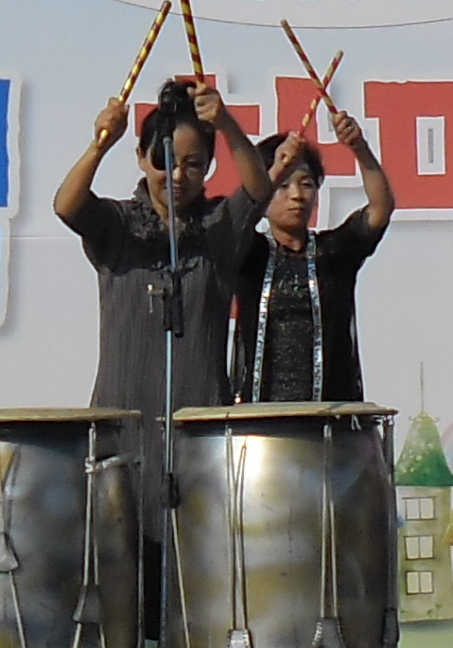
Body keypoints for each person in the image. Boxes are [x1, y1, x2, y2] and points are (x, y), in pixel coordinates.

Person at [54, 71, 266, 541]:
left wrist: (226, 124)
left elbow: (258, 189)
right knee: (121, 564)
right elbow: (67, 206)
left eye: (193, 164)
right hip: (122, 431)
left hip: (199, 432)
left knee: (199, 564)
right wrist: (99, 144)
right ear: (141, 156)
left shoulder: (220, 228)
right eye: (163, 161)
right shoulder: (118, 225)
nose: (176, 176)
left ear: (209, 166)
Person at [216, 82, 396, 402]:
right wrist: (275, 170)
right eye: (283, 186)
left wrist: (359, 147)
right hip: (259, 420)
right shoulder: (250, 253)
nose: (297, 196)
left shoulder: (333, 253)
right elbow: (237, 218)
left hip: (330, 418)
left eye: (306, 184)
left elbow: (380, 208)